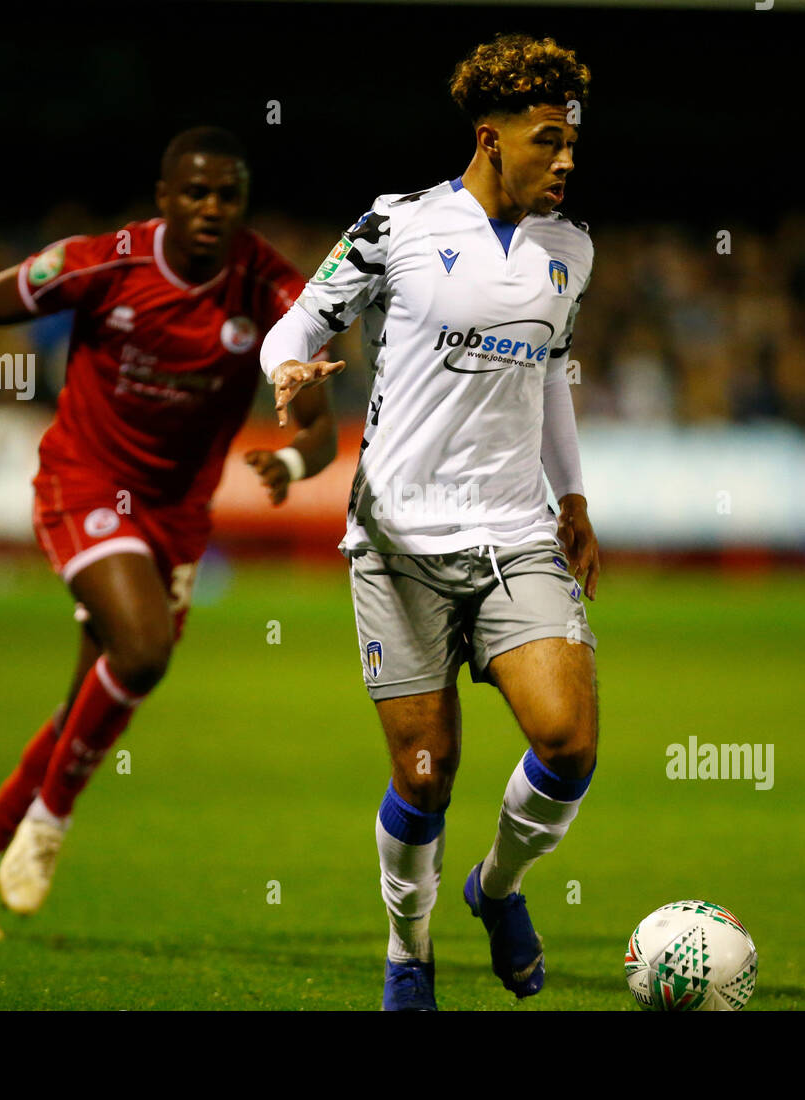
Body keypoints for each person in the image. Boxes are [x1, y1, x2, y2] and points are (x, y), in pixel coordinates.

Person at [0, 126, 337, 940]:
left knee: (89, 700)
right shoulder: (103, 262)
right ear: (165, 199)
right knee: (141, 652)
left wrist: (293, 460)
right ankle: (50, 823)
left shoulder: (274, 291)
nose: (213, 209)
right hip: (84, 480)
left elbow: (317, 428)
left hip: (177, 515)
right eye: (196, 194)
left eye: (229, 196)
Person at [260, 34, 600, 1009]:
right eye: (548, 141)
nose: (567, 159)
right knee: (425, 771)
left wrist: (570, 495)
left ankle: (496, 888)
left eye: (573, 142)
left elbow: (550, 379)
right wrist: (286, 371)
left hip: (512, 534)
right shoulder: (395, 224)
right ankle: (408, 952)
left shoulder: (569, 250)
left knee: (568, 738)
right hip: (398, 546)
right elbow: (298, 323)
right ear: (490, 139)